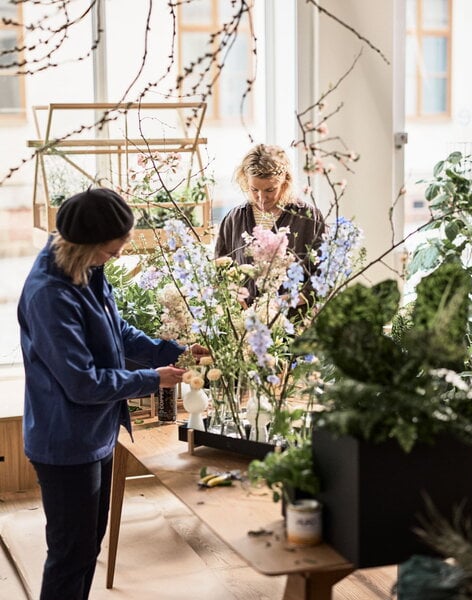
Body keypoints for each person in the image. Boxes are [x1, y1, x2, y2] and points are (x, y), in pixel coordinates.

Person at [17, 188, 208, 600]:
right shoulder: (49, 294)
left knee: (87, 546)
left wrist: (174, 351)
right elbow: (83, 382)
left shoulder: (86, 268)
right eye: (112, 249)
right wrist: (152, 380)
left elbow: (117, 333)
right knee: (71, 553)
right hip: (66, 442)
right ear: (87, 243)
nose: (118, 256)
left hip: (96, 432)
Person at [215, 143, 325, 302]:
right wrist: (233, 296)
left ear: (285, 182)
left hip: (295, 322)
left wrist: (284, 303)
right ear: (246, 181)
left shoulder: (308, 218)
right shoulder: (233, 220)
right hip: (244, 324)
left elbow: (323, 276)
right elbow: (220, 273)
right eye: (254, 189)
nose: (261, 198)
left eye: (270, 190)